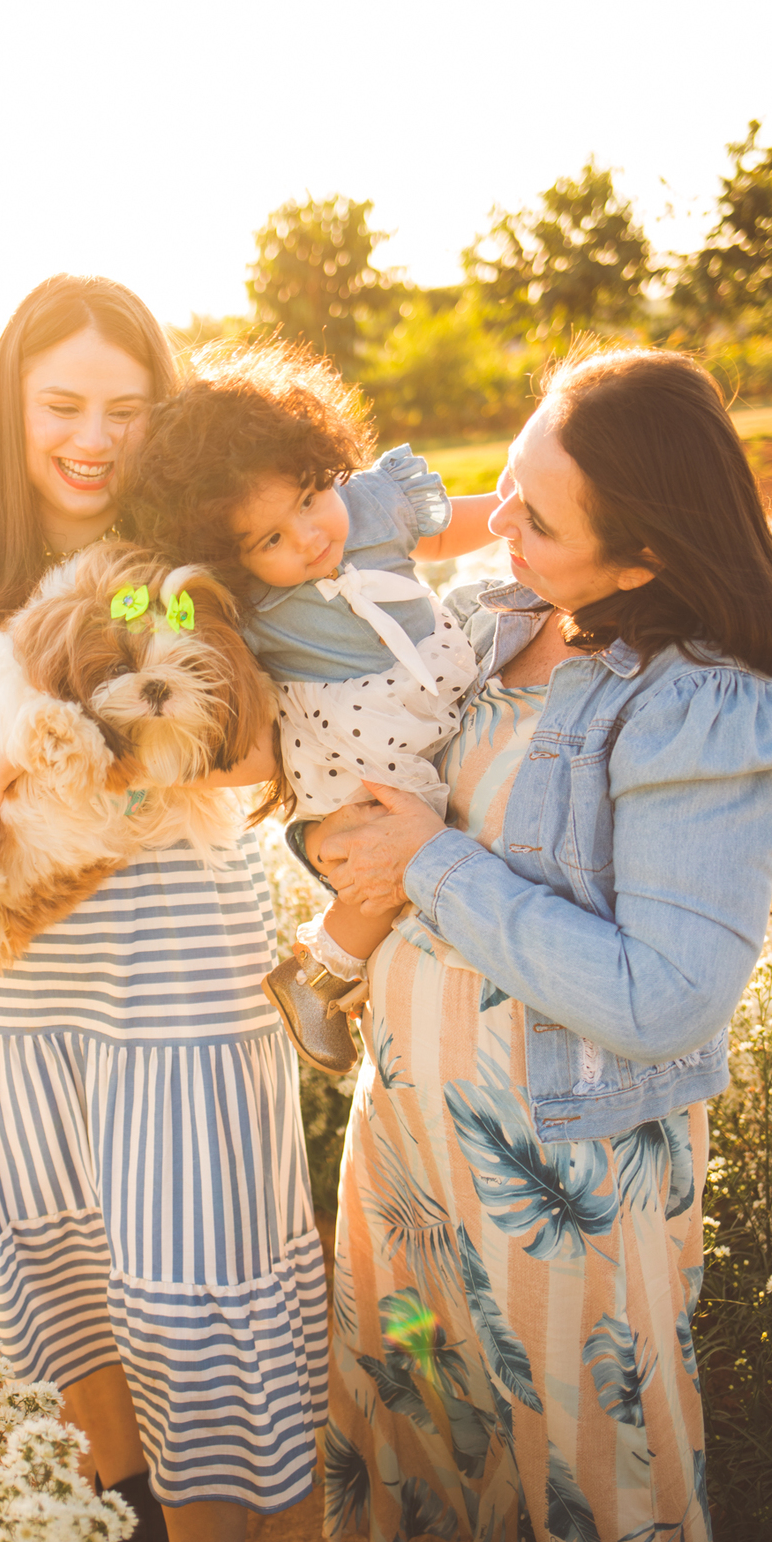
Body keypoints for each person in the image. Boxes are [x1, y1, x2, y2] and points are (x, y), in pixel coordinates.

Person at [299, 346, 772, 1542]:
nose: (495, 524)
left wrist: (431, 865)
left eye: (538, 516)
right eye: (506, 481)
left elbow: (667, 997)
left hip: (562, 1160)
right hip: (420, 1121)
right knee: (450, 1362)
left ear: (641, 563)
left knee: (605, 1466)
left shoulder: (706, 706)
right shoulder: (502, 608)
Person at [0, 276, 328, 1542]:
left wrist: (118, 733)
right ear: (7, 406)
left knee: (187, 1294)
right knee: (59, 1293)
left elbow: (248, 758)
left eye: (128, 409)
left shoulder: (188, 575)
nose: (93, 438)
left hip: (176, 973)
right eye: (61, 405)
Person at [123, 344, 497, 1076]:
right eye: (272, 540)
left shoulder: (366, 507)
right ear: (233, 558)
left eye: (306, 499)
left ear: (324, 465)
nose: (311, 537)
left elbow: (448, 528)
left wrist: (518, 515)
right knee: (399, 836)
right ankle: (320, 975)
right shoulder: (252, 606)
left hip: (429, 693)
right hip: (358, 751)